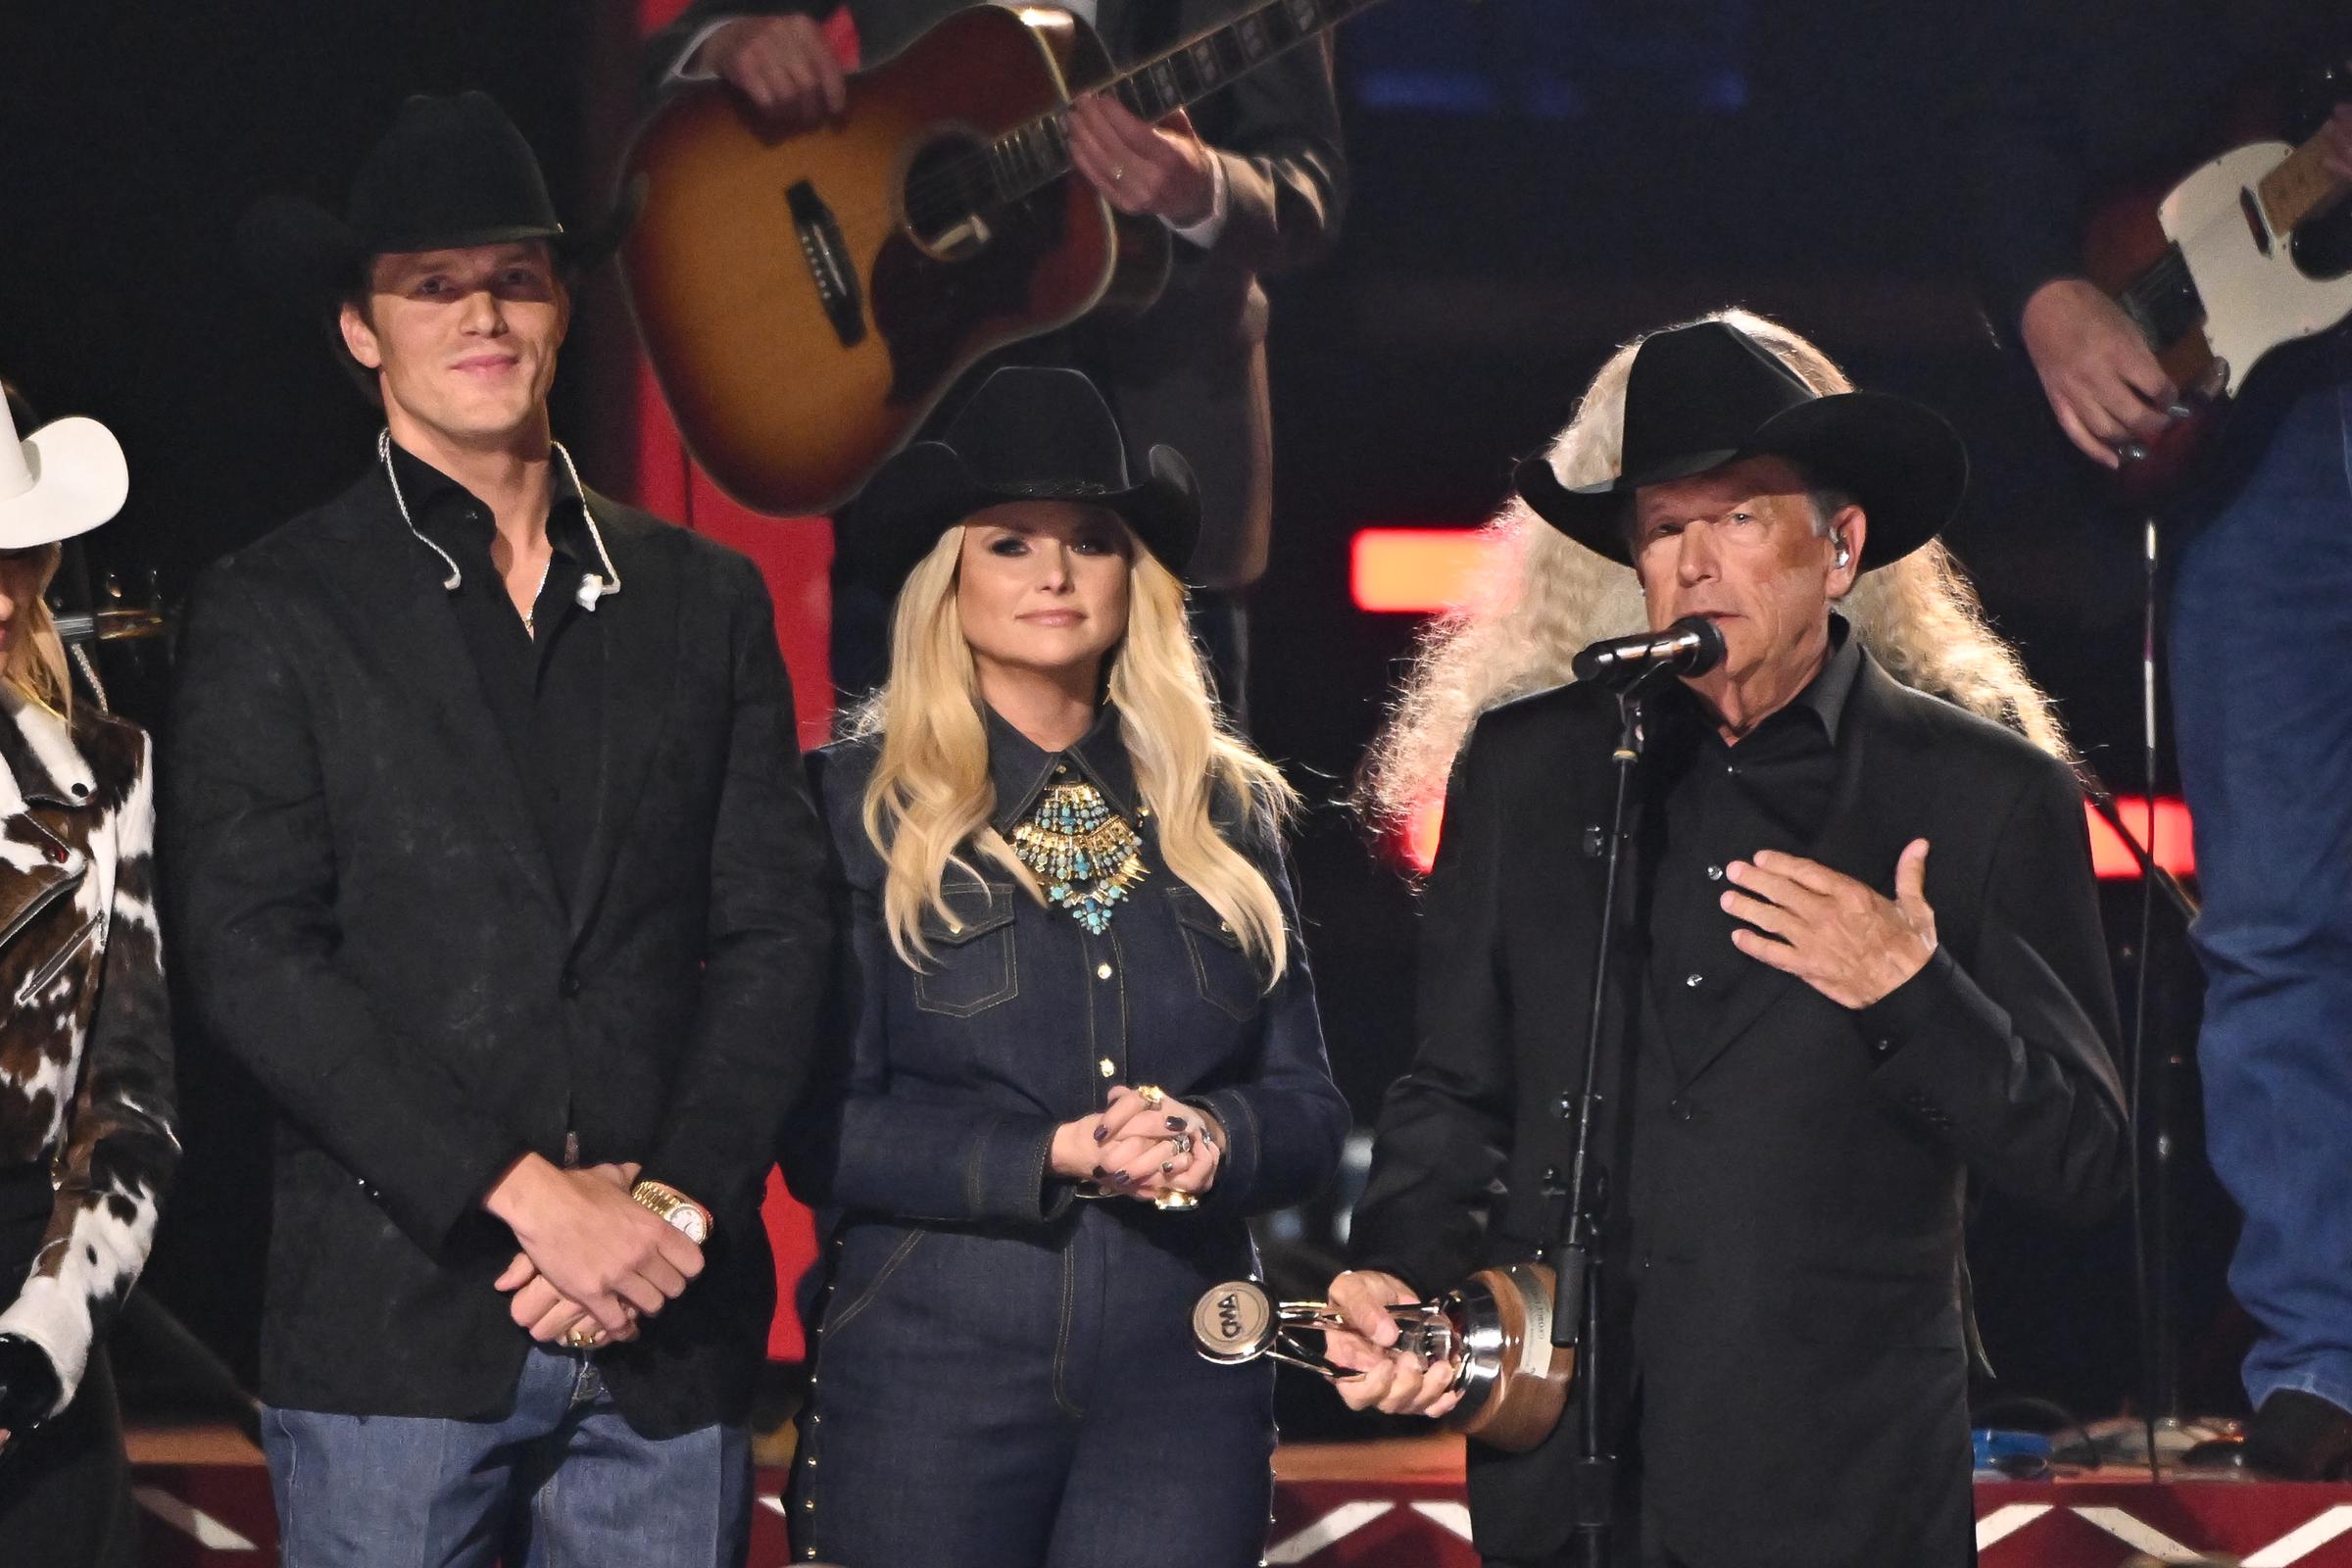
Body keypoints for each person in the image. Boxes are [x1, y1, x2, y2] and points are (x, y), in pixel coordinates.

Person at [1328, 314, 2131, 1568]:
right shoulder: (1535, 770)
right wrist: (1398, 1266)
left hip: (1841, 1484)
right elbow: (1455, 1088)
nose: (1695, 560)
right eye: (1662, 527)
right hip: (1575, 1468)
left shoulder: (1981, 792)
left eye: (1742, 518)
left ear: (1841, 547)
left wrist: (1909, 989)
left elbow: (2084, 1155)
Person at [167, 93, 830, 1565]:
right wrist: (525, 1197)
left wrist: (665, 1211)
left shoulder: (699, 597)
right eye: (431, 283)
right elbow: (251, 955)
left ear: (567, 304)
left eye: (515, 277)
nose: (481, 313)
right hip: (400, 1332)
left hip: (667, 1326)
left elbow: (776, 933)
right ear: (361, 329)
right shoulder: (280, 606)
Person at [789, 365, 1348, 1566]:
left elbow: (1309, 1108)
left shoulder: (1225, 810)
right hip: (929, 1355)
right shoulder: (850, 810)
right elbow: (814, 1129)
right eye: (1009, 542)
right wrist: (1048, 1153)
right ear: (950, 579)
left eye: (1091, 541)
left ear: (1130, 580)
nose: (1053, 573)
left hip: (1186, 1361)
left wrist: (1211, 1137)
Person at [1964, 0, 2352, 1479]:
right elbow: (2000, 104)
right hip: (2263, 439)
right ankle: (2322, 1354)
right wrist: (2046, 295)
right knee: (2272, 923)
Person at [643, 0, 1348, 722]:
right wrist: (728, 40)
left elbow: (1307, 177)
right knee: (901, 826)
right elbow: (670, 50)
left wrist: (1204, 188)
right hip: (918, 466)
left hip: (1161, 476)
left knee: (1178, 826)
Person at [0, 383, 173, 1567]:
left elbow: (131, 1108)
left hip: (32, 1338)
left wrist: (35, 1347)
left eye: (12, 554)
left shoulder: (101, 775)